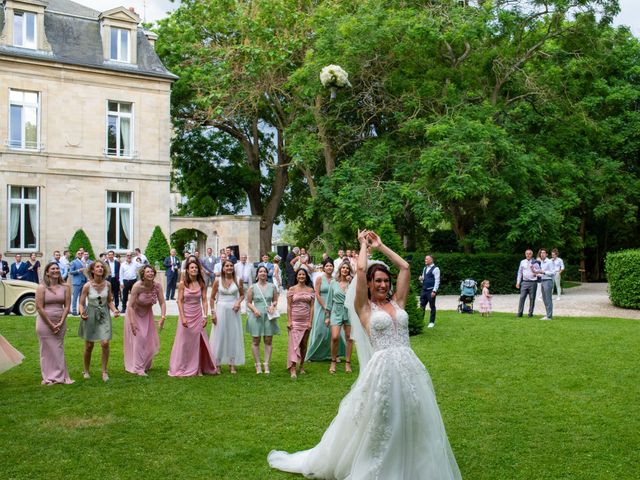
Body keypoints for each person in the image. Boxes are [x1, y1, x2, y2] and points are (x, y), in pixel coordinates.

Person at [268, 230, 462, 479]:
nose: (383, 284)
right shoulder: (364, 308)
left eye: (385, 281)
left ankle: (415, 463)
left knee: (414, 415)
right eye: (378, 281)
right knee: (383, 421)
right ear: (369, 285)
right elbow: (360, 271)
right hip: (383, 370)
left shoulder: (398, 303)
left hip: (409, 367)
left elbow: (403, 267)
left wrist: (380, 247)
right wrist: (362, 246)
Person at [168, 257, 217, 377]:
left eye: (196, 268)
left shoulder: (201, 283)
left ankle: (198, 368)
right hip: (186, 314)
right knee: (184, 342)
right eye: (192, 268)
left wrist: (205, 316)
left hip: (198, 314)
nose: (194, 269)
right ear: (188, 270)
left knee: (198, 342)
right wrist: (183, 317)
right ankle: (183, 366)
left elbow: (204, 300)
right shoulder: (182, 284)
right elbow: (179, 301)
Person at [78, 260, 120, 382]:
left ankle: (104, 371)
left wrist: (115, 310)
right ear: (92, 270)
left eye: (102, 267)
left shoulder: (108, 284)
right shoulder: (87, 286)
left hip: (104, 315)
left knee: (105, 343)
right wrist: (81, 313)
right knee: (89, 345)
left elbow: (110, 301)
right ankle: (86, 370)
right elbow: (81, 303)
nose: (100, 268)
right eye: (97, 267)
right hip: (90, 314)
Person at [35, 262, 73, 385]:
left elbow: (67, 306)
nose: (55, 270)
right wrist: (51, 324)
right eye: (52, 269)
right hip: (44, 322)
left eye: (57, 268)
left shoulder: (66, 286)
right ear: (47, 272)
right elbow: (39, 307)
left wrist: (61, 322)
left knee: (58, 348)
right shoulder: (41, 287)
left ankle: (60, 376)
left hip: (60, 320)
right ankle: (49, 377)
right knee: (46, 349)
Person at [124, 265, 166, 376]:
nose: (150, 273)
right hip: (134, 314)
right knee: (139, 339)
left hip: (147, 315)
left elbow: (162, 302)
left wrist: (163, 317)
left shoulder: (157, 286)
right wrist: (132, 322)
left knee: (149, 340)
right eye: (148, 272)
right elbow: (130, 306)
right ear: (143, 274)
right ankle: (138, 368)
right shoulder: (137, 286)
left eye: (152, 272)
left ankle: (144, 364)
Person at [209, 260, 245, 374]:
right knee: (219, 335)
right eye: (227, 266)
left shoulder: (238, 279)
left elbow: (242, 295)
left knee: (233, 335)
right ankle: (217, 363)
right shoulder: (217, 281)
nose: (229, 267)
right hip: (220, 309)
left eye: (231, 266)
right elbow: (211, 298)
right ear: (223, 268)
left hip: (233, 311)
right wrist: (213, 312)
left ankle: (232, 363)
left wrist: (238, 302)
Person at [245, 265, 280, 374]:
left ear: (267, 274)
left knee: (268, 339)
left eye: (264, 271)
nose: (263, 273)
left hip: (269, 315)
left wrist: (273, 306)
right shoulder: (252, 287)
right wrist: (254, 310)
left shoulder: (272, 286)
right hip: (256, 315)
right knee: (256, 340)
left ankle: (266, 364)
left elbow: (275, 300)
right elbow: (248, 302)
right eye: (260, 272)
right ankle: (258, 365)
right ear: (257, 274)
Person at [306, 259, 339, 362]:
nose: (329, 267)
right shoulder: (319, 278)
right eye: (327, 266)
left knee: (332, 331)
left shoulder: (335, 280)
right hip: (321, 305)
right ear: (324, 267)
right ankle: (313, 354)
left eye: (331, 266)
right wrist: (325, 306)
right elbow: (317, 293)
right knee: (320, 330)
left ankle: (332, 354)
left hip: (333, 305)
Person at [285, 267, 315, 379]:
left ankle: (301, 365)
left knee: (303, 344)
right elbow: (288, 306)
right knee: (293, 345)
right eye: (299, 275)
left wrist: (310, 322)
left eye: (303, 275)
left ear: (306, 277)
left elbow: (312, 307)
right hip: (294, 320)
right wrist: (289, 320)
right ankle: (292, 367)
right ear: (296, 277)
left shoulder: (310, 290)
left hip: (306, 320)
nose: (301, 276)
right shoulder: (292, 289)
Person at [326, 259, 353, 374]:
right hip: (336, 311)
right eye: (343, 268)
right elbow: (329, 300)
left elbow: (357, 297)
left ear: (349, 271)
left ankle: (347, 363)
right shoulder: (333, 283)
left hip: (349, 311)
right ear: (340, 269)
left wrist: (352, 283)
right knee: (335, 337)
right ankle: (333, 361)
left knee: (349, 337)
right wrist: (327, 316)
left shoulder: (352, 283)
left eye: (347, 268)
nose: (345, 270)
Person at [516, 249, 539, 317]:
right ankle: (520, 313)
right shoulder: (522, 262)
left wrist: (535, 271)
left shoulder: (535, 262)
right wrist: (518, 282)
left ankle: (530, 313)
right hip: (524, 282)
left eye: (529, 254)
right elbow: (519, 272)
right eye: (527, 253)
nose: (528, 255)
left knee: (532, 298)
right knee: (522, 297)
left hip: (533, 282)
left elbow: (539, 271)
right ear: (525, 254)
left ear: (532, 255)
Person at [419, 254, 440, 328]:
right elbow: (423, 279)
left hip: (431, 291)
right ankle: (420, 321)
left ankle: (431, 322)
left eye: (427, 259)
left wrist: (434, 291)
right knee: (422, 306)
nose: (425, 260)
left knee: (432, 306)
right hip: (424, 290)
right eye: (425, 259)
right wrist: (421, 279)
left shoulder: (436, 269)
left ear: (431, 260)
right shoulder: (424, 268)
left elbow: (437, 281)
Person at [68, 249, 89, 315]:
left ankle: (82, 311)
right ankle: (74, 310)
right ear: (76, 255)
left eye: (81, 253)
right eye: (78, 253)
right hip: (77, 282)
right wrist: (78, 270)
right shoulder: (73, 262)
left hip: (84, 281)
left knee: (83, 297)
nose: (80, 254)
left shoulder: (84, 262)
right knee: (75, 297)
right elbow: (71, 272)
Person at [537, 248, 555, 320]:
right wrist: (538, 274)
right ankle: (547, 315)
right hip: (543, 280)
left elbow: (553, 273)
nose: (542, 254)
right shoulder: (541, 262)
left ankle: (549, 316)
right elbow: (542, 273)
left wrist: (543, 272)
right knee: (544, 299)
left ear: (547, 254)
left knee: (548, 299)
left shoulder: (549, 262)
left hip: (548, 281)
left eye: (544, 252)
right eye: (541, 253)